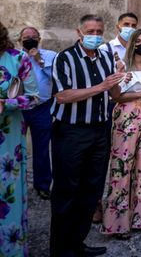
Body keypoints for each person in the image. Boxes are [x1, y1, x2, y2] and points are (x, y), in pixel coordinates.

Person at [50, 15, 125, 257]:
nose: (95, 35)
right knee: (66, 190)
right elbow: (62, 96)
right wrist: (101, 87)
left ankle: (77, 243)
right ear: (79, 33)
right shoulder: (65, 58)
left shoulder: (105, 57)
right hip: (71, 132)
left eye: (99, 31)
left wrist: (116, 80)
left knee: (91, 190)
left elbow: (114, 94)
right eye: (90, 31)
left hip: (99, 131)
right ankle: (60, 249)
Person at [101, 29, 141, 239]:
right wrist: (140, 92)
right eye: (139, 40)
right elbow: (115, 96)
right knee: (122, 165)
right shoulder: (121, 65)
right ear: (132, 43)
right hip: (126, 116)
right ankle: (117, 224)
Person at [94, 12, 138, 223]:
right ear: (118, 26)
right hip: (109, 107)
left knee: (125, 157)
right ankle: (97, 204)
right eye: (126, 24)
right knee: (102, 158)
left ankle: (124, 202)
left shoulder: (137, 49)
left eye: (133, 25)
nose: (129, 27)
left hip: (131, 107)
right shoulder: (105, 49)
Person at [0, 21, 39, 257]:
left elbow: (35, 97)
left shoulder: (17, 59)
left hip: (8, 143)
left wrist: (7, 103)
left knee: (7, 194)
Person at [19, 26, 57, 200]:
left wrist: (39, 60)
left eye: (34, 36)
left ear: (39, 39)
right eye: (26, 37)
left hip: (42, 107)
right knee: (16, 147)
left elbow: (56, 78)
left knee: (41, 148)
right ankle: (16, 183)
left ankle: (42, 185)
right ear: (20, 40)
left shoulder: (50, 56)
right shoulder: (14, 57)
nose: (30, 39)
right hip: (18, 108)